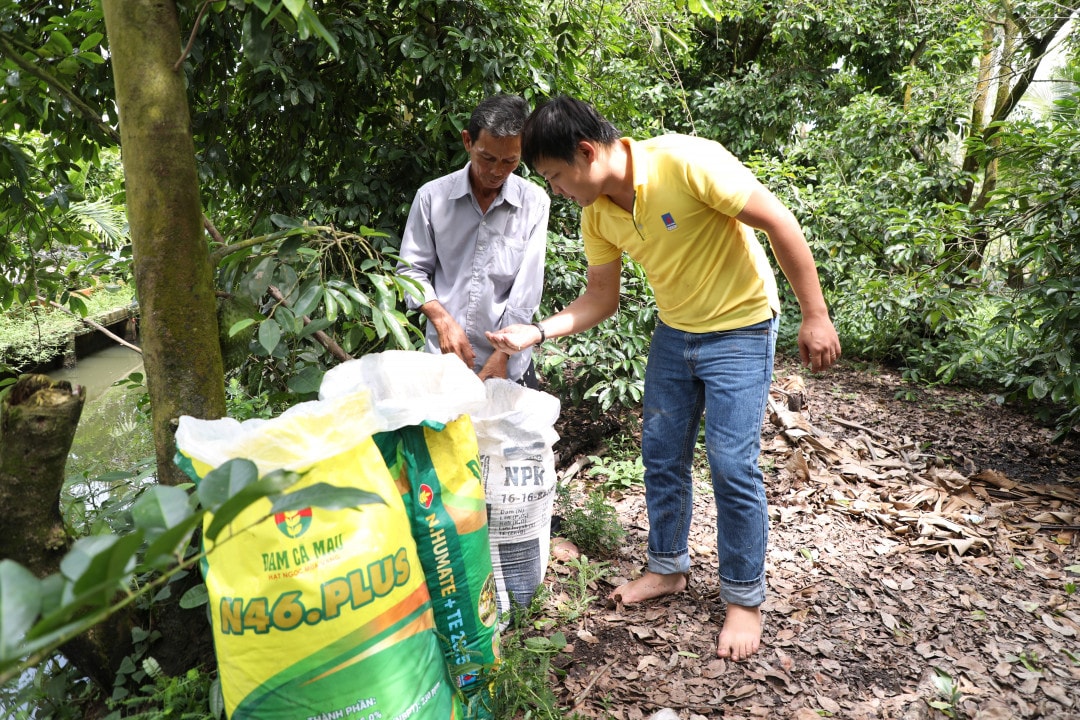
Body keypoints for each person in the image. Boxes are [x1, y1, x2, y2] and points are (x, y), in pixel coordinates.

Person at [486, 96, 841, 661]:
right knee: (661, 452)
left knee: (731, 462)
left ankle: (744, 599)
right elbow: (601, 299)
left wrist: (815, 314)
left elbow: (778, 221)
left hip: (742, 327)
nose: (554, 189)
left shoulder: (686, 162)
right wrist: (537, 332)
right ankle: (668, 567)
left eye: (555, 176)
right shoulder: (598, 211)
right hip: (676, 332)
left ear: (585, 153)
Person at [397, 94, 551, 388]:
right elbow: (410, 271)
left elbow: (525, 292)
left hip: (508, 365)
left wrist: (503, 353)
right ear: (468, 141)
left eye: (510, 161)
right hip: (444, 362)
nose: (497, 171)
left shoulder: (535, 203)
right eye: (487, 158)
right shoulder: (431, 198)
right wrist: (442, 321)